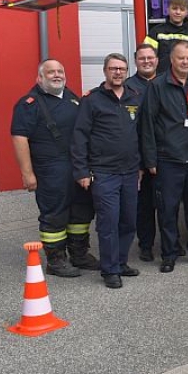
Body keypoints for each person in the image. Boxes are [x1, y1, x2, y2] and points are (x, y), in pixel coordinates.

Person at [11, 60, 99, 278]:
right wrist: (27, 173)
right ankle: (56, 259)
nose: (57, 75)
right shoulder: (28, 104)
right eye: (51, 72)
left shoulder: (72, 99)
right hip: (50, 168)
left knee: (81, 210)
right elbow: (19, 138)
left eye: (60, 71)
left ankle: (79, 254)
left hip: (77, 166)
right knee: (55, 213)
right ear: (39, 77)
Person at [139, 41, 188, 273]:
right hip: (168, 160)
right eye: (181, 58)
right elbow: (148, 125)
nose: (185, 62)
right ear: (171, 60)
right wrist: (150, 160)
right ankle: (169, 254)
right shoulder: (157, 86)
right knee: (168, 210)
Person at [70, 53, 143, 289]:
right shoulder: (92, 100)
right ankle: (109, 269)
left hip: (130, 172)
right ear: (105, 71)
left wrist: (141, 165)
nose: (118, 72)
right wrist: (81, 171)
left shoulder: (135, 97)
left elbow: (141, 134)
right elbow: (79, 137)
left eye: (122, 68)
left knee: (128, 220)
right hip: (104, 173)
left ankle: (121, 262)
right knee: (108, 222)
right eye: (113, 68)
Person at [126, 44, 159, 261]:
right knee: (144, 205)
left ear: (157, 60)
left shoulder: (167, 82)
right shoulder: (127, 87)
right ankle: (146, 245)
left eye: (150, 57)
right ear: (136, 61)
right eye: (141, 58)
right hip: (138, 158)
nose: (146, 61)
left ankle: (172, 242)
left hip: (164, 154)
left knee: (169, 204)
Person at [143, 0, 188, 75]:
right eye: (174, 8)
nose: (178, 12)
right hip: (162, 80)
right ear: (168, 10)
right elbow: (146, 56)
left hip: (187, 80)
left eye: (182, 9)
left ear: (187, 12)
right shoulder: (156, 32)